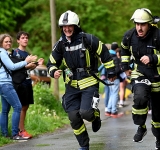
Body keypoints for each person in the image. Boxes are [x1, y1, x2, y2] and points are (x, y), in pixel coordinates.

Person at [47, 10, 116, 150]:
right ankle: (84, 146)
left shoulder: (89, 39)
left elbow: (105, 53)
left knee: (86, 113)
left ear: (76, 25)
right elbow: (51, 63)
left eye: (70, 26)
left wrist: (111, 71)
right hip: (71, 85)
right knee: (73, 117)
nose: (66, 29)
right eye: (64, 27)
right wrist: (53, 71)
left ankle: (95, 115)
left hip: (89, 81)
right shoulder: (60, 44)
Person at [121, 8, 160, 150]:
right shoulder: (129, 35)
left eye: (142, 24)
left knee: (157, 114)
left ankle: (158, 138)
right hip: (140, 73)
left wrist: (153, 58)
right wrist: (125, 65)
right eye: (137, 24)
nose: (139, 27)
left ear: (149, 24)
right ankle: (141, 127)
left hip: (157, 74)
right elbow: (124, 49)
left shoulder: (158, 35)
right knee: (139, 98)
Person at [0, 33, 37, 140]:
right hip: (6, 84)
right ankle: (15, 134)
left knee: (5, 110)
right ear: (1, 42)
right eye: (6, 41)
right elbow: (12, 67)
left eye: (9, 41)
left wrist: (31, 64)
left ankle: (4, 135)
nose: (8, 43)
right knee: (18, 107)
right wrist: (26, 62)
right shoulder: (2, 53)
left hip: (3, 83)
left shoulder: (4, 53)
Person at [13, 31, 44, 139]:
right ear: (18, 40)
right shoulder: (15, 53)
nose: (25, 39)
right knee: (21, 106)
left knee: (26, 106)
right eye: (22, 38)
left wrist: (37, 64)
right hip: (19, 83)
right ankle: (20, 130)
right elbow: (16, 68)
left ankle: (22, 129)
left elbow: (28, 67)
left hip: (27, 81)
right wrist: (27, 63)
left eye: (26, 38)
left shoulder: (26, 54)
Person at [105, 42, 123, 118]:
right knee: (115, 94)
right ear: (116, 49)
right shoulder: (116, 58)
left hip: (108, 78)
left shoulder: (107, 56)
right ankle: (114, 112)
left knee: (112, 94)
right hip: (115, 78)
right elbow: (118, 69)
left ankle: (108, 110)